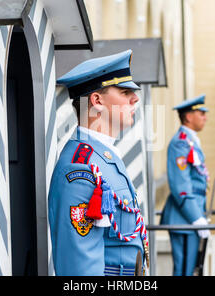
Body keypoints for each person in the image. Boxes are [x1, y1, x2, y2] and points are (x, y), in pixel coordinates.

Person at [48, 49, 148, 276]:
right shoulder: (80, 167)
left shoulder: (103, 155)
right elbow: (79, 264)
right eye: (124, 92)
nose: (135, 98)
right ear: (97, 101)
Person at [160, 94, 211, 276]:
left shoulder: (190, 140)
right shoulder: (181, 142)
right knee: (184, 271)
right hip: (185, 217)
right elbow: (180, 184)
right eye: (201, 113)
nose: (205, 117)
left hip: (191, 215)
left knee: (191, 269)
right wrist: (196, 217)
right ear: (188, 116)